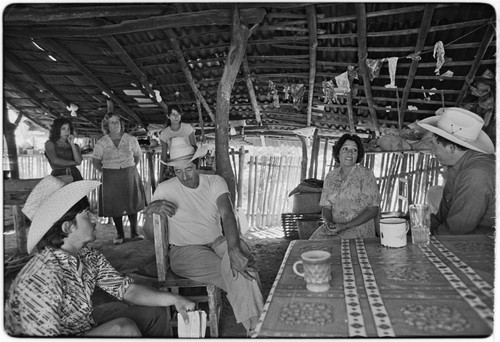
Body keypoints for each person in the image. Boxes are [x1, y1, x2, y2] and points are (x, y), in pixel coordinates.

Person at [4, 176, 195, 337]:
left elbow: (127, 290)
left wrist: (173, 300)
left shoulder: (88, 256)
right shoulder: (40, 278)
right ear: (67, 227)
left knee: (156, 312)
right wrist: (118, 329)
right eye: (86, 215)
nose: (95, 219)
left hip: (81, 325)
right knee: (124, 327)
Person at [143, 140, 263, 335]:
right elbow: (149, 235)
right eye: (178, 171)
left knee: (240, 251)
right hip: (184, 251)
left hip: (217, 242)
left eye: (188, 169)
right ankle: (256, 329)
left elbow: (228, 214)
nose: (184, 176)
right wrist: (150, 213)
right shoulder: (164, 190)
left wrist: (233, 249)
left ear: (198, 163)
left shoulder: (214, 182)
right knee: (241, 269)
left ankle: (255, 330)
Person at [417, 107, 495, 235]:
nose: (432, 152)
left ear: (452, 147)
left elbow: (456, 231)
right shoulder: (458, 166)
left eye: (434, 145)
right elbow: (442, 218)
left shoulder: (476, 173)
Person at [310, 133, 381, 239]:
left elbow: (373, 209)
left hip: (359, 228)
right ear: (338, 153)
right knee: (311, 244)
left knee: (335, 247)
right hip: (334, 227)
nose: (350, 153)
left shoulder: (366, 175)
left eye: (354, 150)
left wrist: (345, 226)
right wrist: (329, 223)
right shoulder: (331, 176)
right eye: (345, 148)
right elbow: (326, 207)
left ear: (358, 155)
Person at [92, 113, 147, 245]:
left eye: (117, 122)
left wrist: (130, 168)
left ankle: (134, 232)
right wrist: (108, 171)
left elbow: (137, 155)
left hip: (129, 173)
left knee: (131, 201)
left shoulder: (130, 139)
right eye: (112, 122)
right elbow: (96, 161)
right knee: (115, 204)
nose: (115, 125)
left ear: (121, 123)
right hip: (110, 176)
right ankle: (120, 234)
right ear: (107, 125)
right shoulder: (102, 142)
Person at [159, 105, 196, 182]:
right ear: (168, 116)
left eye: (178, 114)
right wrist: (161, 175)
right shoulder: (165, 133)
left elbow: (195, 147)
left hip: (189, 162)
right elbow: (164, 155)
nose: (176, 117)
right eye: (173, 114)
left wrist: (195, 166)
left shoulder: (187, 128)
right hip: (175, 165)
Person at [45, 117, 84, 182]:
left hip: (75, 176)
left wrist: (72, 144)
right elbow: (55, 160)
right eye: (63, 129)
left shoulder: (75, 146)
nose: (67, 131)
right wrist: (74, 163)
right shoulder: (50, 143)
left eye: (69, 129)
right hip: (58, 176)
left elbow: (79, 161)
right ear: (57, 130)